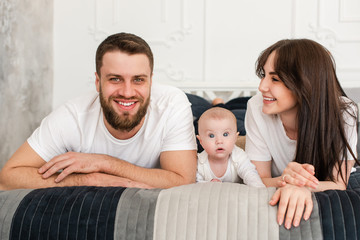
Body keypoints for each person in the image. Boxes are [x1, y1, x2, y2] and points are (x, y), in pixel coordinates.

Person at [0, 32, 198, 190]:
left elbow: (183, 180)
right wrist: (88, 179)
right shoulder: (72, 117)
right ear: (97, 82)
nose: (127, 92)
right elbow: (8, 177)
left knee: (218, 118)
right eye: (115, 79)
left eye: (138, 79)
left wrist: (104, 163)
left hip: (194, 109)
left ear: (151, 82)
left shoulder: (172, 103)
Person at [245, 39, 359, 229]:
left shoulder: (345, 113)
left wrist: (302, 186)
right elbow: (257, 180)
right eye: (263, 75)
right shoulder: (256, 106)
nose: (262, 87)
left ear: (305, 83)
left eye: (275, 79)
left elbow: (338, 184)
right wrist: (287, 181)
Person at [196, 107, 264, 187]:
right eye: (211, 135)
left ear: (235, 138)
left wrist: (259, 188)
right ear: (201, 141)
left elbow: (250, 174)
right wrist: (208, 184)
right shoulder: (199, 162)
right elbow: (195, 183)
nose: (219, 141)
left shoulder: (239, 156)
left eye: (225, 134)